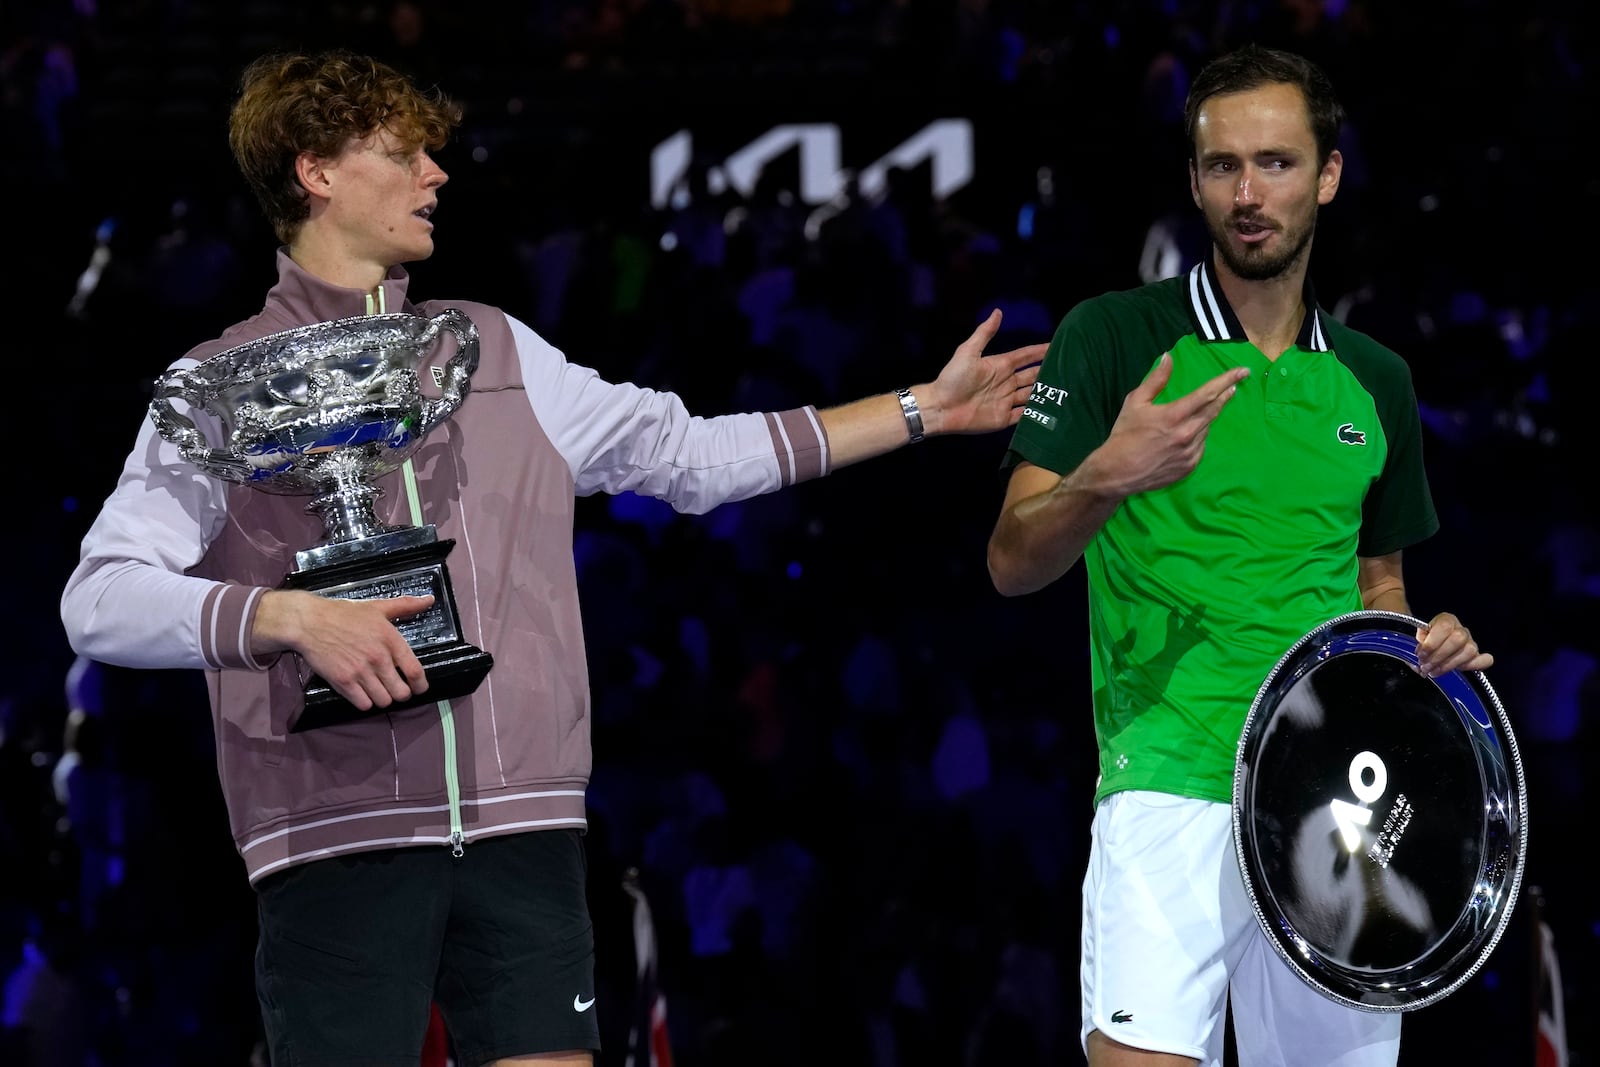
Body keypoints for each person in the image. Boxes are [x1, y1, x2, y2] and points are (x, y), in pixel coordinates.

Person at [58, 49, 1045, 1067]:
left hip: (521, 828)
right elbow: (99, 602)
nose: (437, 174)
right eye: (403, 154)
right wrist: (290, 618)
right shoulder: (216, 384)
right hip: (329, 840)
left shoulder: (493, 351)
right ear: (315, 171)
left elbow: (693, 454)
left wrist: (927, 409)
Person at [985, 43, 1492, 1067]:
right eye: (1223, 166)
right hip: (1166, 785)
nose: (1247, 193)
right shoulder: (1115, 339)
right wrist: (1108, 472)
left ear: (1328, 175)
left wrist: (1420, 648)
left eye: (1275, 163)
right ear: (1193, 179)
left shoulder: (1373, 379)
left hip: (1334, 804)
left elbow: (1377, 587)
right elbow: (1011, 559)